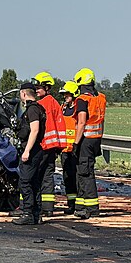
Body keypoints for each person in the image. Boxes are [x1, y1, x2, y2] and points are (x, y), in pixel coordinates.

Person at [73, 68, 106, 219]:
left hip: (85, 139)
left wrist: (76, 143)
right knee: (84, 171)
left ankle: (92, 208)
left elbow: (81, 122)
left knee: (86, 173)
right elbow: (101, 121)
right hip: (96, 139)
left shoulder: (82, 100)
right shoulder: (100, 98)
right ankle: (81, 206)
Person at [12, 82, 47, 225]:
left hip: (32, 150)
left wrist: (27, 151)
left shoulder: (32, 109)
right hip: (38, 150)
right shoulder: (39, 108)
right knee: (34, 182)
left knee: (25, 182)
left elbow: (35, 130)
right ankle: (36, 214)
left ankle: (27, 213)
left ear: (24, 94)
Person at [32, 72, 66, 216]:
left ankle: (38, 207)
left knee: (37, 176)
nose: (36, 90)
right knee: (48, 176)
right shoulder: (54, 102)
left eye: (39, 87)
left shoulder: (40, 104)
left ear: (47, 87)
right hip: (52, 147)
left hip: (43, 145)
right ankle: (48, 208)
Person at [59, 81, 80, 214]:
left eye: (67, 94)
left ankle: (79, 204)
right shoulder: (63, 108)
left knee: (77, 177)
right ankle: (71, 204)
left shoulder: (78, 109)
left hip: (75, 149)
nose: (65, 97)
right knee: (67, 178)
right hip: (64, 150)